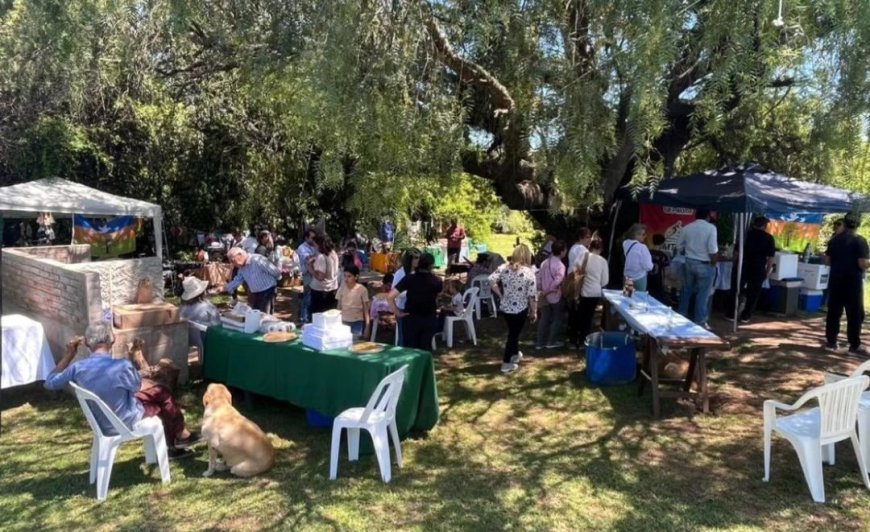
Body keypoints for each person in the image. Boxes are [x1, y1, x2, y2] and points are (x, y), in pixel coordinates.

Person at [44, 322, 197, 457]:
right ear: (113, 340)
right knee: (161, 400)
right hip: (125, 422)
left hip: (100, 423)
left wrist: (69, 355)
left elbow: (49, 382)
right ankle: (179, 439)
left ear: (88, 344)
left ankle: (177, 441)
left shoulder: (77, 368)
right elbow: (136, 386)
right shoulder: (122, 366)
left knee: (159, 394)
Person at [824, 214, 869, 356]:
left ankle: (831, 342)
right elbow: (862, 263)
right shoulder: (860, 241)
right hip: (852, 281)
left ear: (845, 223)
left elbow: (828, 260)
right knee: (855, 313)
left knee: (834, 311)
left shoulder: (834, 240)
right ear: (857, 225)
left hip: (836, 279)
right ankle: (854, 345)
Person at [489, 244, 538, 374]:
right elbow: (532, 295)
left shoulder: (504, 268)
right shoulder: (529, 273)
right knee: (513, 335)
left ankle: (515, 354)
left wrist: (500, 294)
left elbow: (491, 280)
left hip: (506, 308)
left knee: (513, 332)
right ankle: (506, 363)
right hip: (520, 309)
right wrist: (534, 311)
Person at [388, 253, 443, 350]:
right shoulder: (436, 281)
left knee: (410, 351)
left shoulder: (409, 278)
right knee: (425, 350)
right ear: (431, 266)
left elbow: (390, 297)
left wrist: (397, 312)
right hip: (429, 318)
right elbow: (437, 299)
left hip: (411, 318)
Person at [677, 208, 718, 327]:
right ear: (708, 216)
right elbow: (712, 249)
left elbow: (679, 246)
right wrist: (714, 263)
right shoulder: (711, 228)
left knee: (686, 291)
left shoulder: (687, 227)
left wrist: (688, 253)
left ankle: (681, 317)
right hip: (705, 263)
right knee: (703, 294)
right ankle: (699, 322)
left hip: (689, 262)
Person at [731, 216, 776, 324]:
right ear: (764, 226)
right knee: (753, 293)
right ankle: (746, 315)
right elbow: (770, 258)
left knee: (737, 289)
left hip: (743, 265)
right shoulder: (769, 238)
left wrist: (734, 264)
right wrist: (767, 271)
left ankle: (731, 313)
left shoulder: (745, 235)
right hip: (758, 267)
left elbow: (736, 253)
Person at [573, 238, 610, 349]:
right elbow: (605, 281)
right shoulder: (603, 261)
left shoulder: (584, 256)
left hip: (582, 291)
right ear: (601, 249)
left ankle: (576, 339)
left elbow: (575, 270)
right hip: (595, 292)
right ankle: (585, 340)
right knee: (589, 317)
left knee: (580, 315)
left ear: (591, 247)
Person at [221, 247, 281, 313]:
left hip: (268, 291)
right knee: (255, 315)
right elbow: (237, 280)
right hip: (255, 293)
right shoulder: (242, 268)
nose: (233, 264)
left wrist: (275, 283)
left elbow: (275, 271)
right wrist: (224, 288)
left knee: (265, 316)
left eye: (233, 261)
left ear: (240, 255)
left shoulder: (257, 260)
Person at [535, 239, 566, 350]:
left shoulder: (544, 263)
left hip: (543, 295)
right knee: (557, 317)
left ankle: (540, 342)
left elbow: (538, 278)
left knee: (544, 318)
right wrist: (548, 290)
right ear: (562, 251)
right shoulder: (560, 266)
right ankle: (551, 341)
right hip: (554, 295)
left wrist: (541, 290)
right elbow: (557, 281)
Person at [392, 248, 421, 346]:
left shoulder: (419, 272)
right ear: (409, 259)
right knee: (403, 337)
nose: (418, 260)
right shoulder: (400, 273)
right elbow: (393, 293)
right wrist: (411, 292)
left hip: (416, 308)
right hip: (403, 309)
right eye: (416, 258)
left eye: (419, 258)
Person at [336, 265, 370, 338]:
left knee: (355, 344)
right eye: (345, 276)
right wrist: (336, 322)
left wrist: (367, 327)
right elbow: (338, 308)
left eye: (349, 276)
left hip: (357, 322)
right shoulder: (341, 289)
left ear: (356, 277)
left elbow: (366, 310)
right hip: (344, 321)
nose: (346, 279)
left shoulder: (362, 290)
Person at [309, 234, 340, 314]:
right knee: (330, 314)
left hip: (320, 291)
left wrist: (310, 268)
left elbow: (320, 277)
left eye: (315, 244)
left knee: (318, 317)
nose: (314, 246)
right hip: (333, 288)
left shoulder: (321, 257)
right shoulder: (334, 254)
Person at [622, 223, 653, 293]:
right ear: (637, 234)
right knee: (639, 300)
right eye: (643, 234)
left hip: (627, 276)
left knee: (627, 298)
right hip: (640, 277)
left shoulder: (625, 243)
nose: (645, 236)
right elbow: (648, 266)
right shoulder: (642, 247)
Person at [295, 228, 318, 323]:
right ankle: (304, 318)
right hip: (307, 274)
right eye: (312, 238)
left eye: (314, 238)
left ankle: (310, 317)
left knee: (313, 296)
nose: (313, 240)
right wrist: (317, 257)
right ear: (306, 238)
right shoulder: (302, 248)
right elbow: (308, 259)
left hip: (315, 272)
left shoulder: (314, 246)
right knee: (307, 296)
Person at [648, 234, 671, 304]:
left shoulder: (648, 252)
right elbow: (666, 272)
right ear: (662, 243)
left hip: (647, 279)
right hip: (658, 281)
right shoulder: (663, 256)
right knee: (656, 300)